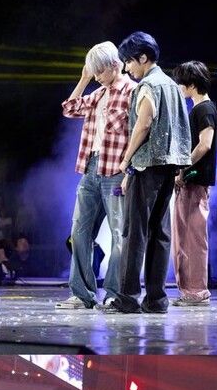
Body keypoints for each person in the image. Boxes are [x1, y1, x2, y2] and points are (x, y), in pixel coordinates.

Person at [103, 31, 191, 315]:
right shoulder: (173, 85)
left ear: (143, 58)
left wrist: (126, 158)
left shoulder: (148, 85)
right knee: (159, 233)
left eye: (129, 62)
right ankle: (156, 299)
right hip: (169, 166)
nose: (127, 68)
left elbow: (144, 122)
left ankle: (127, 298)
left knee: (134, 232)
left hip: (147, 165)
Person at [56, 41, 134, 310]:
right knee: (79, 232)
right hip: (90, 169)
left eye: (100, 71)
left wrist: (130, 169)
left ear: (114, 65)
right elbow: (69, 108)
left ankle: (114, 293)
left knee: (120, 235)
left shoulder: (133, 91)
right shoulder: (98, 93)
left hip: (117, 171)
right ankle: (82, 294)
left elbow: (141, 132)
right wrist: (84, 79)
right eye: (94, 72)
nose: (97, 76)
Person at [170, 60, 217, 307]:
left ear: (190, 84)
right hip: (190, 181)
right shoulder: (200, 108)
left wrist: (183, 168)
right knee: (184, 237)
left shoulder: (204, 109)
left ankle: (196, 291)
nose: (179, 88)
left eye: (181, 83)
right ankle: (189, 290)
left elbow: (205, 144)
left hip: (194, 181)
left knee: (192, 238)